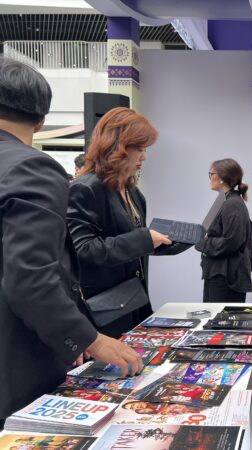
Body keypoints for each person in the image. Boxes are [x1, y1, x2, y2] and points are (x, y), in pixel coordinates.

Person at [0, 57, 142, 426]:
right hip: (16, 364)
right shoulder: (32, 168)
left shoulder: (132, 192)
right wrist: (88, 339)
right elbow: (31, 278)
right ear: (41, 120)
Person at [67, 107, 172, 338]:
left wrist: (158, 243)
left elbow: (124, 243)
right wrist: (144, 239)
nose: (144, 157)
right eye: (139, 149)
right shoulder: (85, 189)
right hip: (103, 315)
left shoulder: (132, 191)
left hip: (134, 303)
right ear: (118, 146)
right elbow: (83, 250)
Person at [196, 158, 252, 303]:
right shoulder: (226, 200)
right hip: (220, 273)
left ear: (222, 177)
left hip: (227, 277)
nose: (210, 178)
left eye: (211, 174)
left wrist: (200, 242)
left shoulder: (232, 204)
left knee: (220, 317)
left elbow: (231, 242)